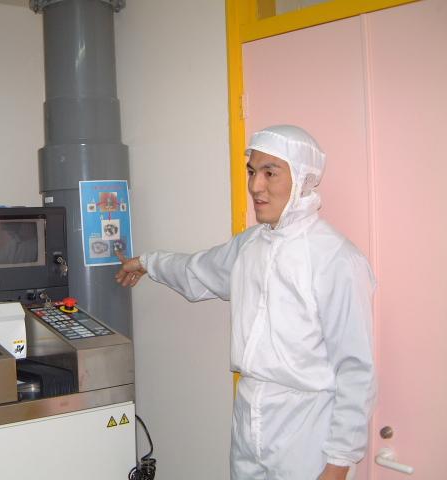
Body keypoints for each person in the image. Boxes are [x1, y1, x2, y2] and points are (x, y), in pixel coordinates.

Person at [116, 125, 376, 480]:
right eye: (252, 172)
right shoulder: (250, 246)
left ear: (303, 178)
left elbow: (356, 369)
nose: (255, 186)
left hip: (306, 430)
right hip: (248, 419)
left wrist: (339, 463)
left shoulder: (336, 259)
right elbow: (196, 271)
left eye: (270, 172)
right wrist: (147, 262)